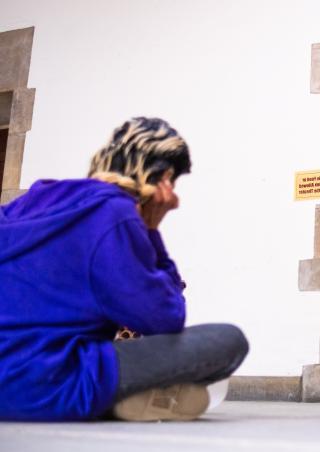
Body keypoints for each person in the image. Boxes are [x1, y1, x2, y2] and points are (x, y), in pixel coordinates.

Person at [0, 117, 249, 421]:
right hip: (53, 385)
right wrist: (152, 229)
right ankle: (121, 399)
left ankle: (133, 396)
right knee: (228, 341)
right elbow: (164, 318)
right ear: (162, 177)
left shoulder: (29, 201)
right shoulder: (115, 213)